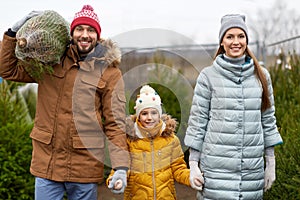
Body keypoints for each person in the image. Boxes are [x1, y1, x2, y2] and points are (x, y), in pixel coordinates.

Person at [0, 5, 129, 200]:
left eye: (90, 30)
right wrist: (12, 33)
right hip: (47, 163)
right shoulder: (49, 61)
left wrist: (120, 166)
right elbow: (7, 70)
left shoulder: (110, 73)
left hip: (84, 165)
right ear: (72, 33)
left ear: (97, 35)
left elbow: (115, 123)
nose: (84, 35)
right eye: (80, 29)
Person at [184, 14, 283, 200]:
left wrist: (271, 163)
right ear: (221, 42)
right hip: (215, 170)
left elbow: (268, 121)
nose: (235, 42)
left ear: (247, 40)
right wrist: (194, 165)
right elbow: (198, 122)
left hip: (251, 172)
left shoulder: (262, 76)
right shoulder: (208, 76)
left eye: (240, 36)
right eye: (229, 37)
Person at [107, 85, 198, 199]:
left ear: (159, 114)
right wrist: (116, 179)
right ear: (138, 116)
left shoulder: (171, 140)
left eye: (154, 113)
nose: (149, 118)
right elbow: (122, 166)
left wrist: (191, 177)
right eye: (144, 113)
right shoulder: (130, 141)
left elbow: (178, 168)